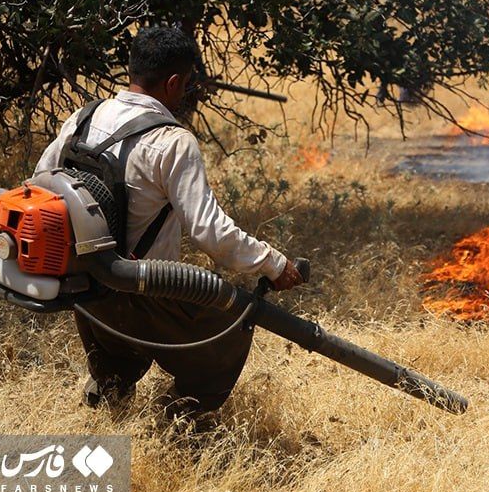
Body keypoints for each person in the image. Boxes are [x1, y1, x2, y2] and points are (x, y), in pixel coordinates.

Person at [34, 26, 304, 419]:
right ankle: (174, 427)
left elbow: (42, 183)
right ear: (174, 82)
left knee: (116, 365)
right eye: (186, 85)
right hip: (139, 291)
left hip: (85, 291)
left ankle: (107, 402)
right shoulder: (172, 142)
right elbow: (210, 232)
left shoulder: (84, 118)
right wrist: (275, 265)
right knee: (227, 334)